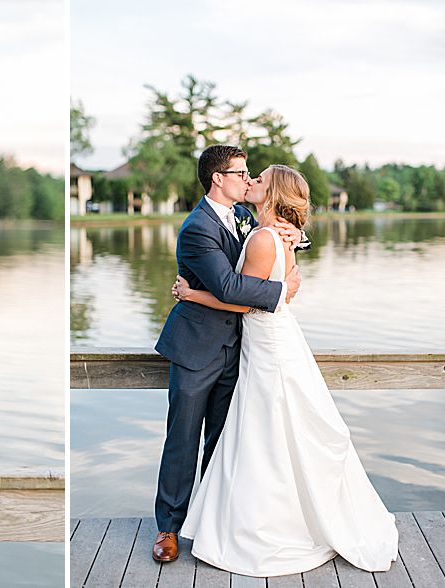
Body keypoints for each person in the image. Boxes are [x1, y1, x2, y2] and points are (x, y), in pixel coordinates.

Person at [175, 165, 398, 576]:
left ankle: (266, 525)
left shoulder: (263, 235)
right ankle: (267, 517)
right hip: (267, 340)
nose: (250, 182)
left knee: (265, 434)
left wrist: (191, 294)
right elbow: (276, 283)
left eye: (256, 179)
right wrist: (288, 264)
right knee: (272, 433)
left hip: (266, 344)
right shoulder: (267, 230)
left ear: (272, 191)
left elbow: (242, 301)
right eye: (245, 175)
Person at [151, 145, 303, 562]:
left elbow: (269, 240)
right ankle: (169, 528)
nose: (248, 178)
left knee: (223, 440)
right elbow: (229, 289)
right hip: (196, 347)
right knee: (183, 439)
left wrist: (298, 239)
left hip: (241, 348)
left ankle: (211, 519)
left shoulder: (242, 217)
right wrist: (281, 291)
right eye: (240, 173)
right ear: (218, 178)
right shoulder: (197, 228)